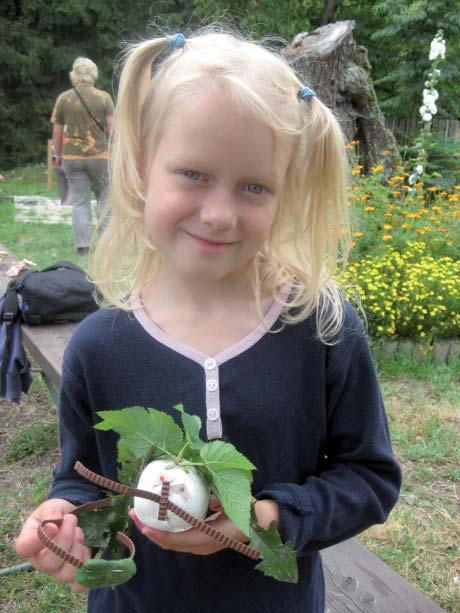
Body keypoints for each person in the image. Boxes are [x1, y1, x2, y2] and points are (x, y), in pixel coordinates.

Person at [16, 31, 401, 612]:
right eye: (193, 173)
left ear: (287, 193)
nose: (219, 214)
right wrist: (64, 517)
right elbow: (82, 474)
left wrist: (268, 518)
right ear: (144, 166)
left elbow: (369, 478)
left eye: (254, 186)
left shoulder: (321, 329)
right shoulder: (99, 345)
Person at [50, 57, 114, 254]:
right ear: (93, 74)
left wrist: (58, 154)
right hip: (100, 157)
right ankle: (105, 244)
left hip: (72, 158)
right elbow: (113, 131)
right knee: (105, 199)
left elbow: (57, 131)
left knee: (79, 201)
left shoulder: (64, 99)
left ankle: (83, 246)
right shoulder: (104, 98)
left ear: (74, 75)